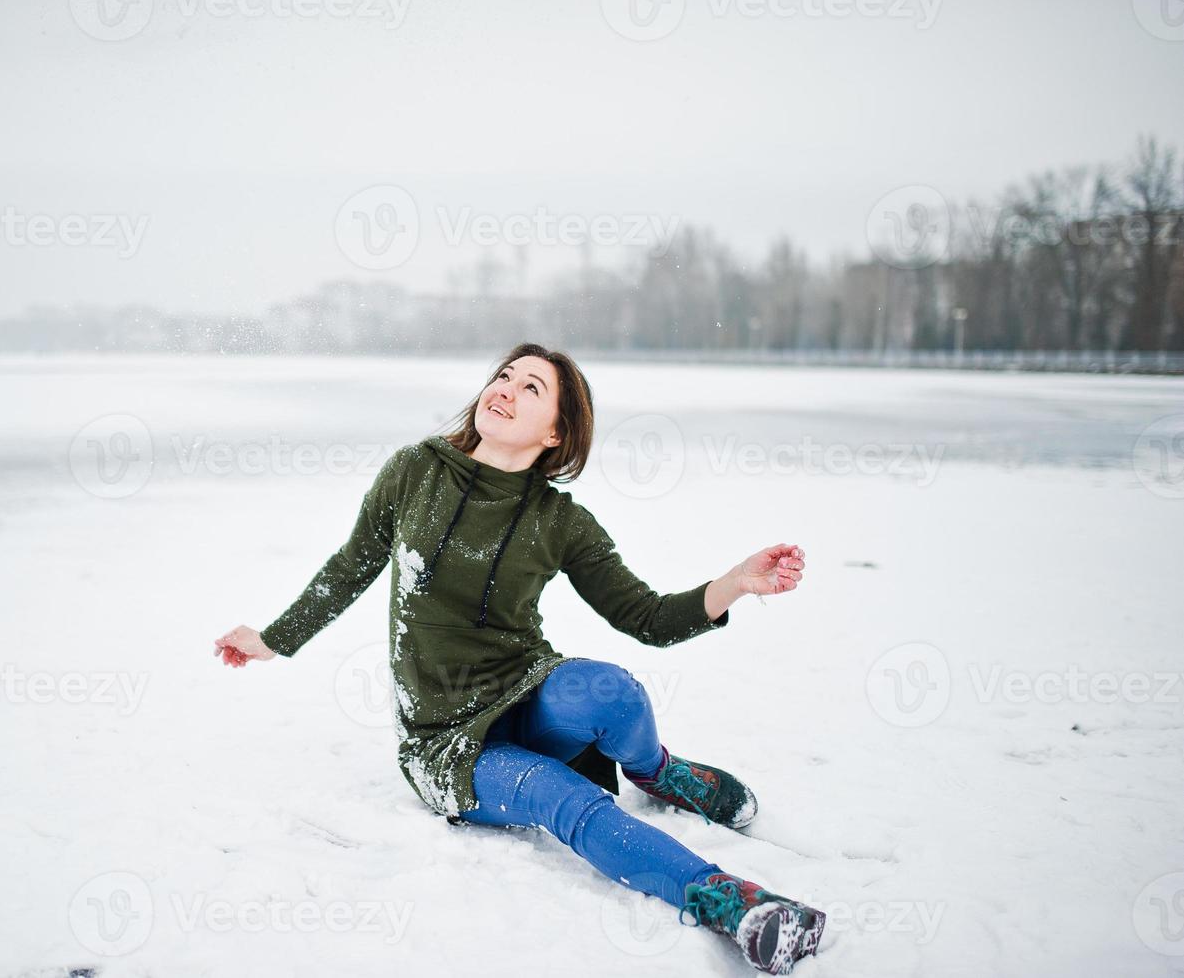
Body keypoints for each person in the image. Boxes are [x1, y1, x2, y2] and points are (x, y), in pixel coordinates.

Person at [215, 343, 825, 973]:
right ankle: (733, 901)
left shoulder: (559, 521)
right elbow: (351, 566)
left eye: (531, 388)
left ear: (557, 431)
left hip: (526, 691)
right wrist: (272, 638)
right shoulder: (416, 471)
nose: (504, 389)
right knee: (560, 798)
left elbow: (645, 617)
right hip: (444, 740)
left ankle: (657, 772)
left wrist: (734, 583)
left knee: (610, 691)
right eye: (503, 376)